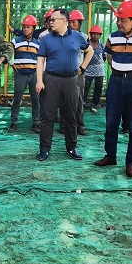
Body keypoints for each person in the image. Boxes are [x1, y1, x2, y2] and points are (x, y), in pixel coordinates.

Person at [94, 0, 132, 178]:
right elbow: (110, 58)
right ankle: (110, 156)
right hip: (116, 82)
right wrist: (120, 72)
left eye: (123, 20)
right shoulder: (113, 37)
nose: (119, 23)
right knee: (111, 122)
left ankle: (131, 162)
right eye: (118, 19)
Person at [35, 9, 92, 161]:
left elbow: (90, 51)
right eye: (50, 20)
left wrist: (82, 68)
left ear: (64, 21)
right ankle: (44, 149)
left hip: (71, 80)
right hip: (51, 80)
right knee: (48, 116)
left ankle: (72, 147)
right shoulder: (46, 39)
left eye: (54, 19)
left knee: (70, 115)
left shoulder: (77, 36)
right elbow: (40, 60)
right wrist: (39, 80)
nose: (51, 22)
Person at [8, 15, 41, 133]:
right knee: (17, 99)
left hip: (33, 74)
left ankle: (36, 123)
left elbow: (42, 59)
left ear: (33, 28)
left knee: (36, 99)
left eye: (28, 27)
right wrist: (11, 63)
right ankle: (14, 122)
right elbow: (6, 51)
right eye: (24, 27)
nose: (25, 29)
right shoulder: (16, 41)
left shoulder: (38, 43)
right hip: (20, 74)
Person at [67, 9, 89, 135]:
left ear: (79, 23)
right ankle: (64, 125)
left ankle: (80, 125)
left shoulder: (84, 37)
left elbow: (88, 53)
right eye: (69, 22)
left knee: (79, 99)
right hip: (65, 72)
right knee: (65, 99)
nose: (71, 25)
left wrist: (82, 68)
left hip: (79, 72)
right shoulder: (63, 36)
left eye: (73, 22)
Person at [83, 24, 106, 112]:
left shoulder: (102, 46)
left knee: (98, 88)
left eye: (97, 34)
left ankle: (95, 104)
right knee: (85, 87)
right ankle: (83, 102)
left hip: (99, 70)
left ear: (100, 35)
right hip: (88, 69)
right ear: (90, 34)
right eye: (93, 34)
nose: (95, 36)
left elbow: (104, 57)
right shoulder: (86, 44)